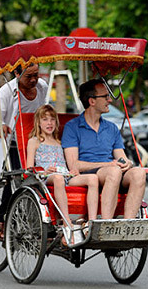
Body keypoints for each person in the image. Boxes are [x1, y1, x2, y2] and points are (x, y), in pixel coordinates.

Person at [62, 79, 147, 220]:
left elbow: (122, 157)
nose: (109, 100)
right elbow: (74, 165)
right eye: (106, 97)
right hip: (90, 174)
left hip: (113, 171)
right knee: (113, 171)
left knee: (139, 173)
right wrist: (109, 165)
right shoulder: (72, 127)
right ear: (92, 101)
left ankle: (129, 223)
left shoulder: (111, 127)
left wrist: (127, 163)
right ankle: (106, 223)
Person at [0, 62, 48, 239]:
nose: (34, 80)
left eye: (36, 75)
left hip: (36, 141)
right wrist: (0, 126)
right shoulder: (7, 91)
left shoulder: (42, 87)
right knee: (17, 179)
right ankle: (0, 218)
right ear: (16, 73)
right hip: (14, 143)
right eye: (28, 76)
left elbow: (44, 110)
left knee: (45, 178)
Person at [26, 105, 99, 245]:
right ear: (38, 122)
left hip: (65, 175)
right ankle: (67, 223)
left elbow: (65, 164)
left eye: (52, 120)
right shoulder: (34, 141)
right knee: (58, 178)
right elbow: (29, 168)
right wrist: (44, 172)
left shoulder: (59, 142)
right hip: (46, 177)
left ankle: (91, 222)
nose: (49, 123)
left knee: (93, 178)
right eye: (45, 120)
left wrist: (73, 172)